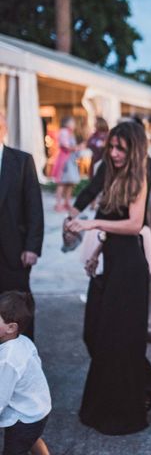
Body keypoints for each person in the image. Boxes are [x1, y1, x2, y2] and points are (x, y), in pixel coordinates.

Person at [65, 122, 151, 435]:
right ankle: (146, 383)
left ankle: (125, 406)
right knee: (94, 333)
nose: (112, 153)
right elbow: (114, 222)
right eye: (111, 147)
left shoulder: (140, 174)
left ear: (134, 149)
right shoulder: (112, 175)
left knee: (119, 340)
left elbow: (133, 225)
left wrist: (89, 226)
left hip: (129, 269)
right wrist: (97, 250)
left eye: (120, 149)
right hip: (111, 262)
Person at [0, 114, 44, 341]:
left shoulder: (21, 161)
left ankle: (24, 360)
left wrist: (33, 247)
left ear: (3, 128)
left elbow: (34, 207)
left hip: (14, 253)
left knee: (18, 310)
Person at [0, 290, 51, 455]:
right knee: (33, 438)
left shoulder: (8, 360)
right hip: (38, 409)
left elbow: (1, 398)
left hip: (23, 418)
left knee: (16, 448)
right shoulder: (23, 341)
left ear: (11, 327)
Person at [51, 116, 82, 212]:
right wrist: (77, 147)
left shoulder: (70, 133)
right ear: (67, 123)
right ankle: (59, 204)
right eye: (72, 122)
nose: (74, 124)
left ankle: (66, 203)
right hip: (65, 161)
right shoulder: (64, 132)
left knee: (70, 183)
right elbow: (65, 146)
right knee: (62, 182)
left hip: (70, 160)